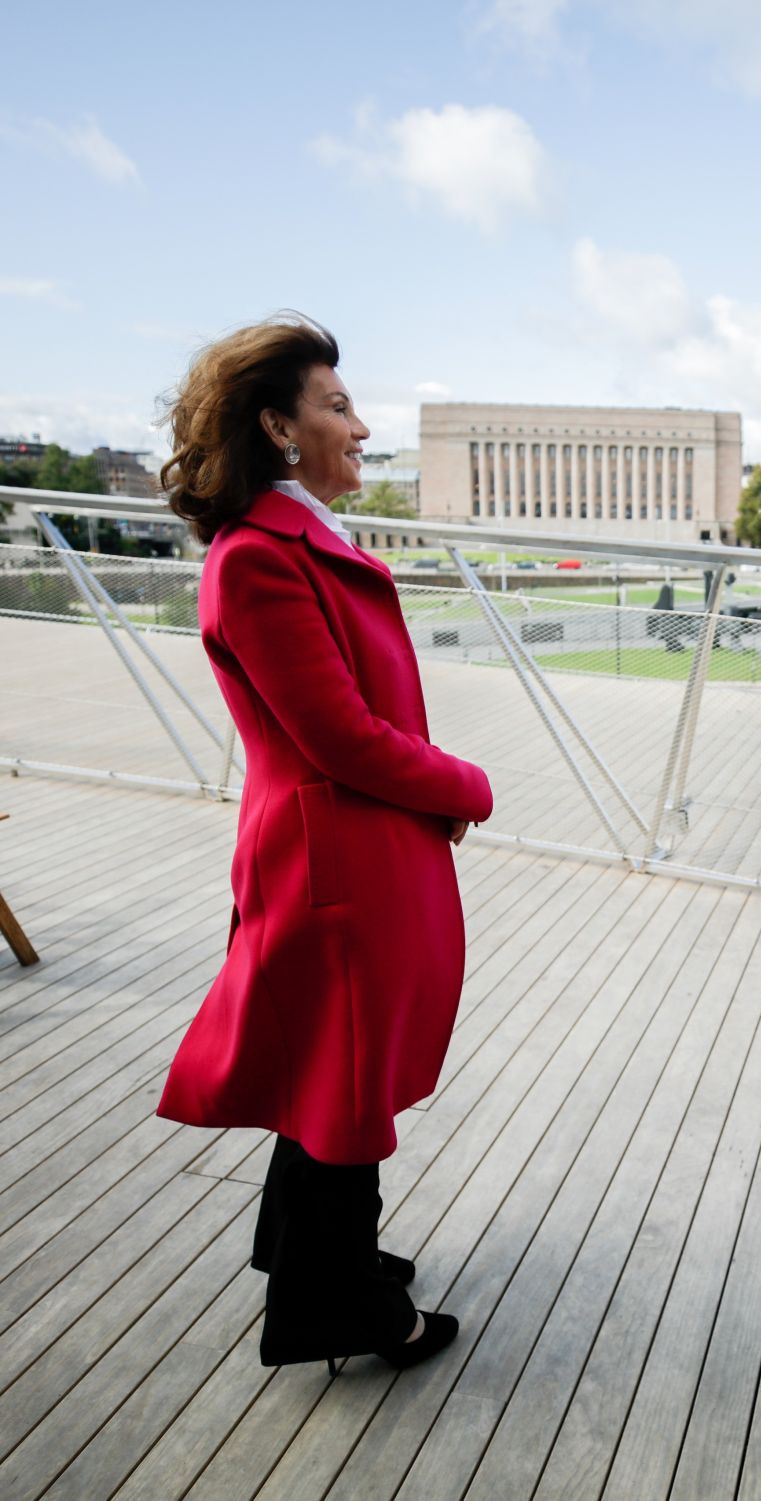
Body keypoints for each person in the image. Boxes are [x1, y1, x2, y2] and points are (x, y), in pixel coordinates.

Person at [155, 313, 493, 1374]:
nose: (360, 424)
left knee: (330, 1075)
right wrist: (463, 784)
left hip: (349, 851)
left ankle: (312, 1265)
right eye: (336, 405)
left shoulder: (296, 541)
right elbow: (338, 735)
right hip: (329, 863)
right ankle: (336, 1309)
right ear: (278, 427)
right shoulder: (260, 559)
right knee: (340, 1082)